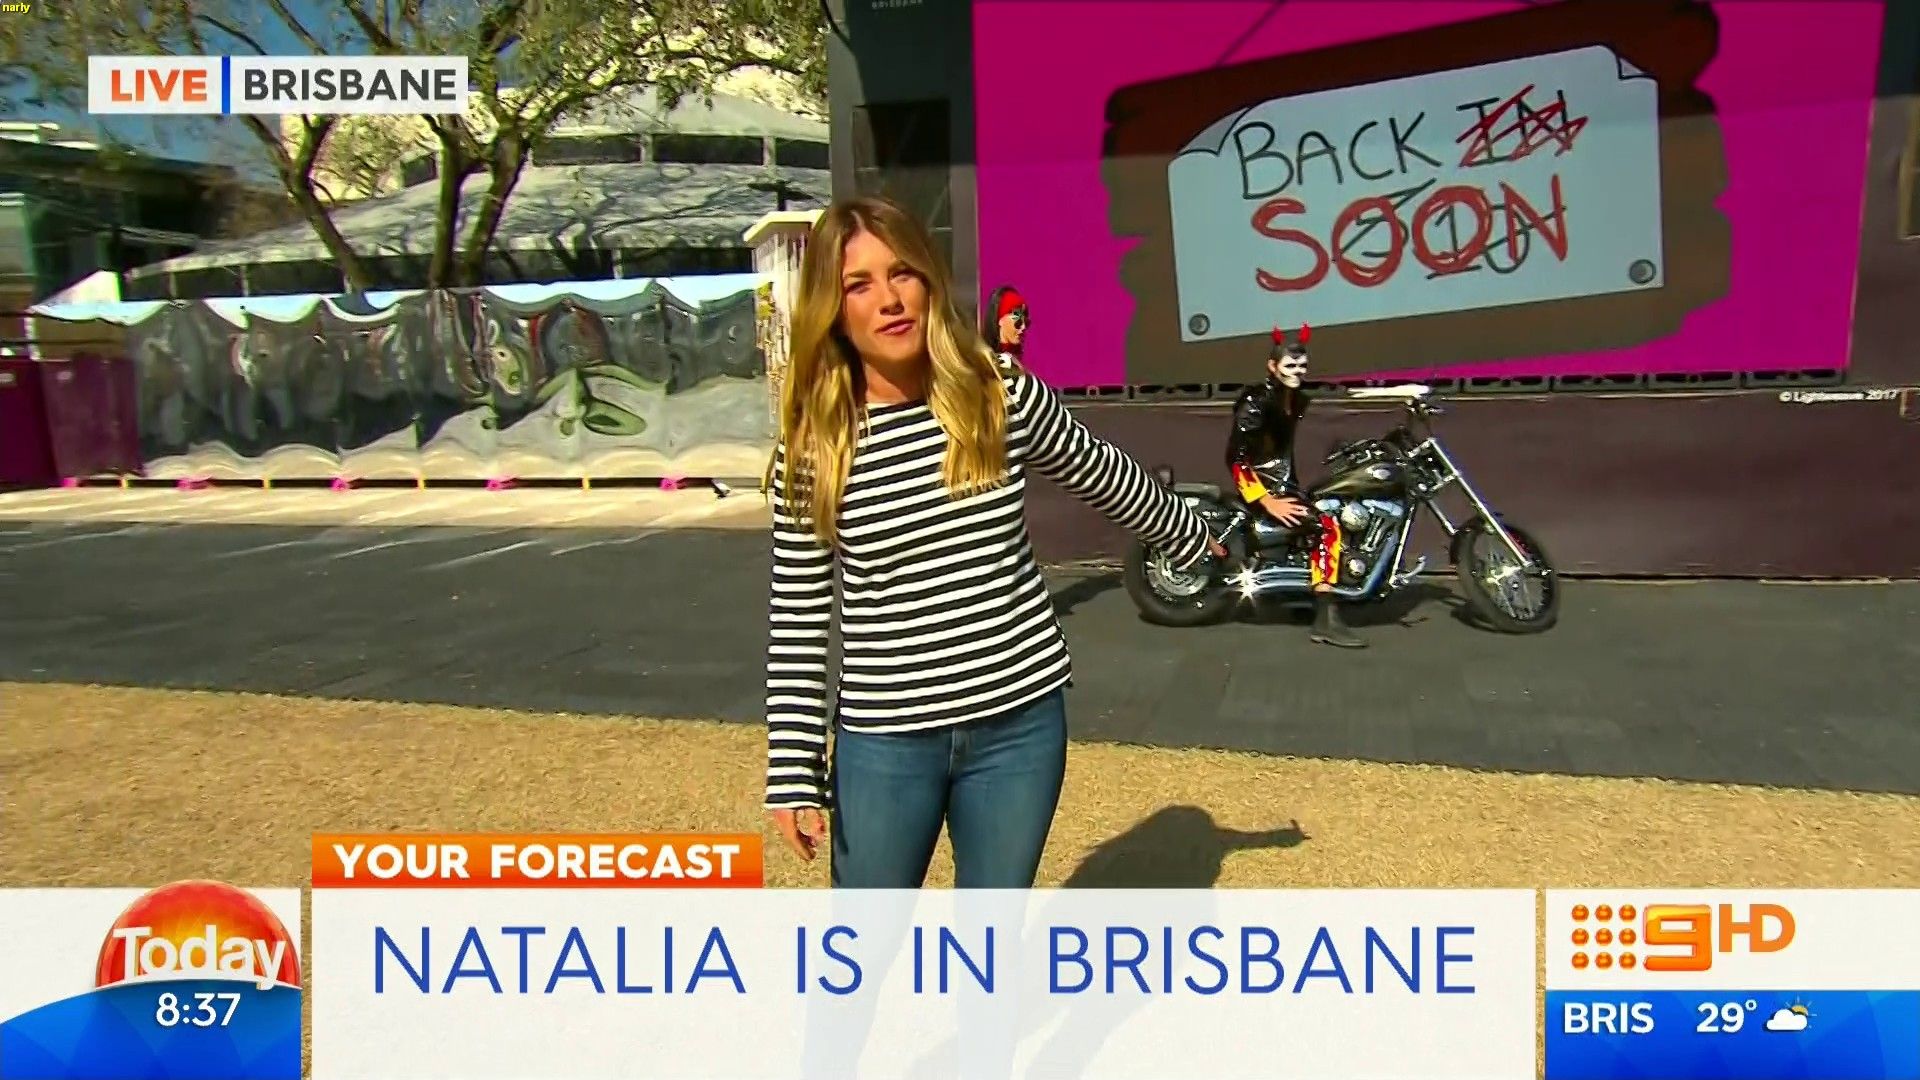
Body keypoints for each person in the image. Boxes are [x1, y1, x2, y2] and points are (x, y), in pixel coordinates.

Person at [762, 195, 1225, 888]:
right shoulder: (814, 450)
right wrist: (793, 770)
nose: (889, 300)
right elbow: (798, 618)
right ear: (833, 308)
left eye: (902, 273)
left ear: (929, 281)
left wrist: (1189, 533)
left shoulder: (996, 395)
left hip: (1020, 728)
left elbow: (1099, 470)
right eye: (860, 284)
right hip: (887, 741)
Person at [1224, 324, 1366, 649]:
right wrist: (1267, 501)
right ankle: (1326, 619)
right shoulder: (1256, 401)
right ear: (1272, 366)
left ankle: (1304, 590)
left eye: (1302, 366)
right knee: (1326, 528)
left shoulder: (1296, 399)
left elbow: (1352, 394)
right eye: (1290, 365)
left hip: (1283, 482)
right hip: (1265, 487)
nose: (1297, 371)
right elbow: (1237, 458)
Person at [983, 284, 1028, 362]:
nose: (1023, 327)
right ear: (1000, 320)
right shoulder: (989, 361)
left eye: (1027, 322)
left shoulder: (1016, 360)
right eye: (1018, 322)